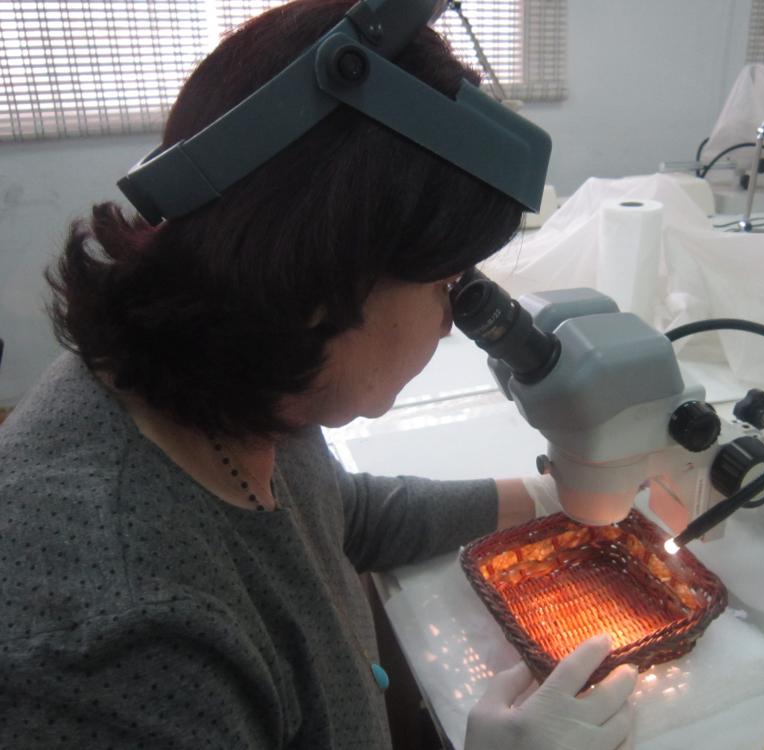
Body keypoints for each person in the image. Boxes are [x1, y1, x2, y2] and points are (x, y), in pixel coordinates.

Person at [0, 1, 637, 748]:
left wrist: (551, 493)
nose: (447, 319)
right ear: (319, 279)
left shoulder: (232, 383)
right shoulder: (124, 645)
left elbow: (339, 514)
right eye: (445, 283)